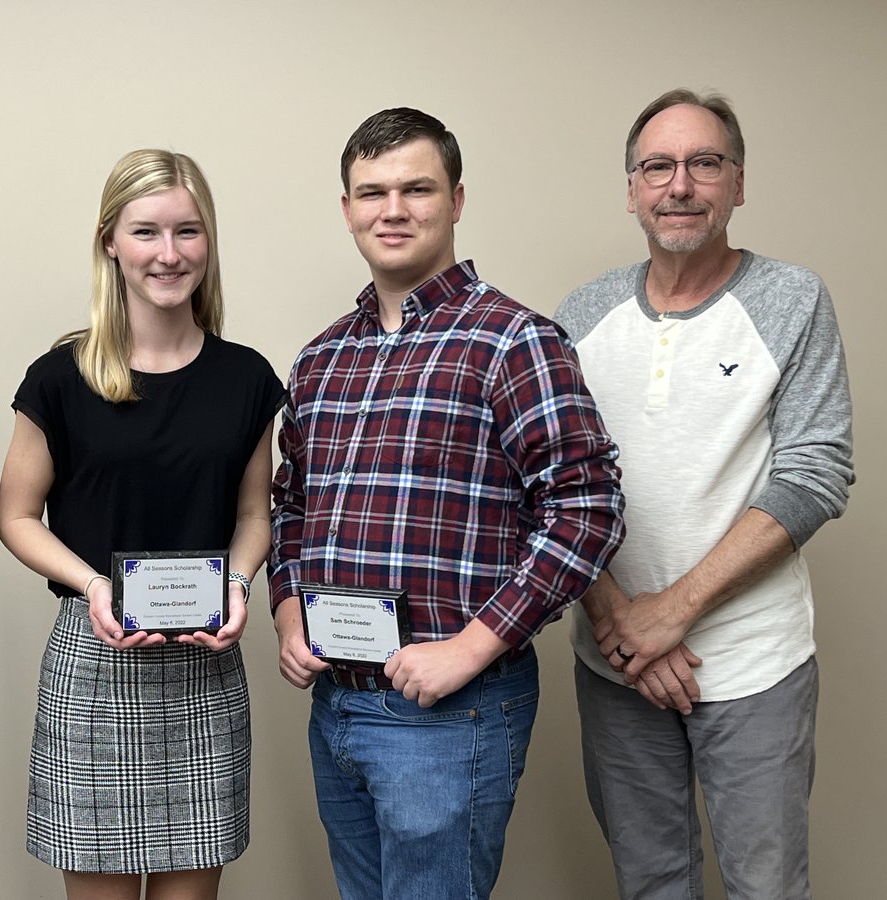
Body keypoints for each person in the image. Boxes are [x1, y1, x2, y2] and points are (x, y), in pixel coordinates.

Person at [267, 107, 625, 899]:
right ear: (347, 209)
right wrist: (289, 615)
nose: (392, 210)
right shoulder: (321, 358)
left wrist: (471, 647)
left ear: (456, 199)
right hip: (337, 703)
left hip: (449, 710)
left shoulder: (514, 341)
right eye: (373, 193)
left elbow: (587, 508)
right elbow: (290, 506)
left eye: (417, 189)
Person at [554, 89, 855, 900]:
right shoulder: (580, 315)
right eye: (658, 167)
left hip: (755, 665)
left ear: (739, 183)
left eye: (704, 163)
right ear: (631, 189)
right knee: (649, 883)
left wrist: (671, 613)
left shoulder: (792, 299)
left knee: (766, 886)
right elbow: (550, 486)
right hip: (615, 667)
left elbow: (816, 472)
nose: (680, 185)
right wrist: (623, 625)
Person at [0, 148, 283, 900]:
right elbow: (16, 517)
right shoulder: (60, 377)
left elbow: (255, 514)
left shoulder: (247, 378)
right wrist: (93, 584)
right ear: (110, 244)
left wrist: (238, 584)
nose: (168, 253)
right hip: (95, 662)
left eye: (187, 231)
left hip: (205, 667)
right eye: (146, 232)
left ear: (208, 240)